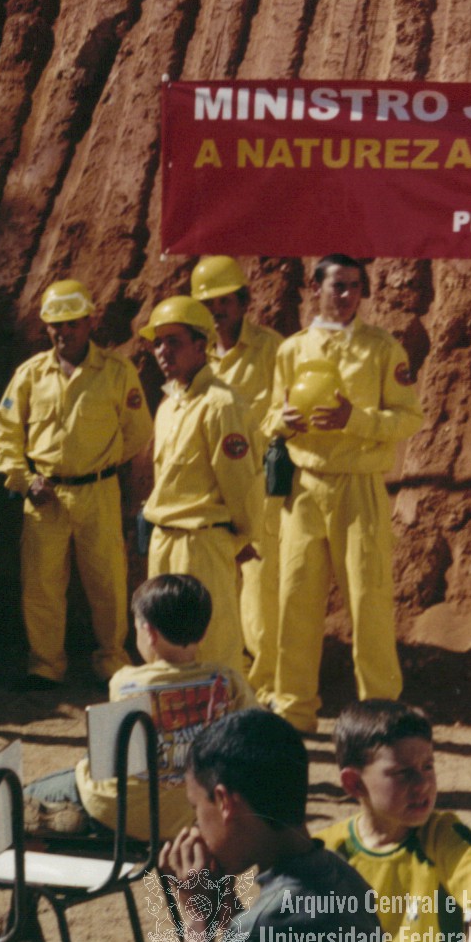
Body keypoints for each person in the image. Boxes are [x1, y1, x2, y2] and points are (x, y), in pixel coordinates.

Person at [264, 255, 422, 732]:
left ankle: (381, 713)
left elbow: (408, 418)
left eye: (355, 286)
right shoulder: (292, 351)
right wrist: (281, 422)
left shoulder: (382, 349)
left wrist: (356, 419)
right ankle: (293, 711)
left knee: (369, 601)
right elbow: (269, 415)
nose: (349, 295)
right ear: (315, 288)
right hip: (305, 488)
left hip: (359, 487)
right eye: (339, 286)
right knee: (295, 600)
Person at [0, 278, 153, 688]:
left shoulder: (117, 371)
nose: (64, 332)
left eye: (72, 323)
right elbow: (5, 432)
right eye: (56, 325)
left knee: (108, 582)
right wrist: (24, 480)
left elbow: (138, 430)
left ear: (89, 322)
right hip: (43, 496)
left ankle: (112, 660)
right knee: (41, 585)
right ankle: (45, 666)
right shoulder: (30, 374)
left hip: (98, 492)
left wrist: (101, 464)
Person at [22, 574, 255, 841]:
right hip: (195, 814)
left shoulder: (126, 682)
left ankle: (80, 820)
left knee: (26, 794)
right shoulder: (227, 680)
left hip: (118, 811)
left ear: (150, 633)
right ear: (203, 634)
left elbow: (111, 759)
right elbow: (255, 734)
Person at [160, 709, 383, 942]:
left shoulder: (263, 929)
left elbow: (259, 941)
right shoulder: (345, 877)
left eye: (196, 809)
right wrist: (224, 902)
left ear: (224, 802)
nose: (196, 826)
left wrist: (199, 917)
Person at [319, 701, 471, 942]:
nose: (423, 784)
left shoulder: (440, 837)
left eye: (428, 766)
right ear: (354, 783)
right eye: (403, 773)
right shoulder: (328, 849)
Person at [139, 296, 262, 672]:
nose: (163, 351)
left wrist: (240, 539)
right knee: (163, 648)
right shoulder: (168, 406)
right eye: (158, 342)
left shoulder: (220, 405)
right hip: (165, 541)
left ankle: (226, 712)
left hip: (203, 545)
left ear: (200, 345)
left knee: (214, 646)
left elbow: (240, 484)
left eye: (173, 341)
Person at [192, 256, 286, 699]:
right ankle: (227, 674)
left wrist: (253, 439)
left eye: (224, 302)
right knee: (217, 583)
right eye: (207, 304)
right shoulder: (195, 354)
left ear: (244, 302)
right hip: (208, 488)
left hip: (257, 483)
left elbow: (285, 408)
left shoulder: (271, 350)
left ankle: (265, 683)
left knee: (260, 586)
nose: (216, 312)